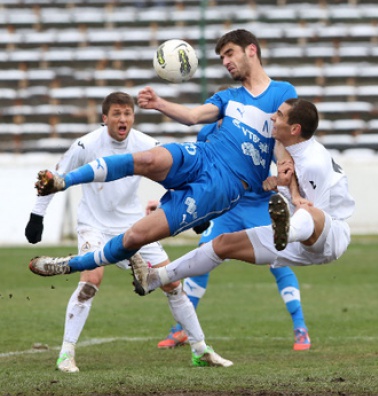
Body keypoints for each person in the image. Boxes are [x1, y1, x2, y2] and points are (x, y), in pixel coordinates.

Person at [28, 29, 297, 277]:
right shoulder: (229, 96)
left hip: (226, 184)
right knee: (148, 158)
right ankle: (63, 181)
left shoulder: (282, 92)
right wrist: (158, 103)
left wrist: (281, 176)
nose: (225, 61)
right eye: (222, 57)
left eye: (229, 54)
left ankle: (70, 264)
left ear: (251, 50)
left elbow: (283, 140)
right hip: (204, 155)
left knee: (136, 236)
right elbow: (193, 116)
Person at [26, 92, 232, 372]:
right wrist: (37, 216)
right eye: (117, 114)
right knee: (90, 280)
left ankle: (200, 349)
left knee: (172, 283)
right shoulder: (85, 144)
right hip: (94, 225)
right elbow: (54, 176)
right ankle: (66, 353)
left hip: (134, 226)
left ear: (133, 117)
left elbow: (176, 175)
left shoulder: (146, 144)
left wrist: (194, 211)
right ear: (105, 118)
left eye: (127, 114)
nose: (123, 119)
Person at [128, 99, 355, 326]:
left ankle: (286, 232)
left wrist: (286, 189)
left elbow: (315, 213)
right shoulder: (287, 146)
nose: (273, 117)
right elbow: (294, 192)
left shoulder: (313, 162)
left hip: (330, 235)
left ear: (295, 129)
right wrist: (281, 185)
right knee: (223, 244)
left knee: (308, 214)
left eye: (280, 114)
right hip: (295, 237)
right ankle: (156, 277)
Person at [156, 118, 310, 351]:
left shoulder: (257, 130)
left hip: (259, 204)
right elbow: (198, 171)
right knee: (202, 255)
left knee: (279, 260)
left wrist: (278, 182)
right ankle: (180, 329)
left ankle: (300, 328)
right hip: (227, 207)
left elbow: (284, 164)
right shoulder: (207, 132)